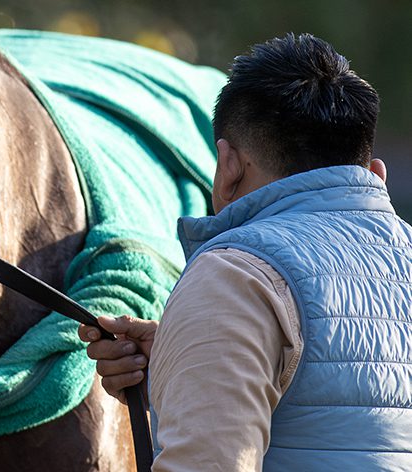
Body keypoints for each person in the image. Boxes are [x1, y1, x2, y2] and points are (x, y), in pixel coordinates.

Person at [78, 33, 412, 471]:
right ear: (373, 173)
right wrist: (183, 362)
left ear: (227, 165)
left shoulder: (235, 278)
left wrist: (209, 324)